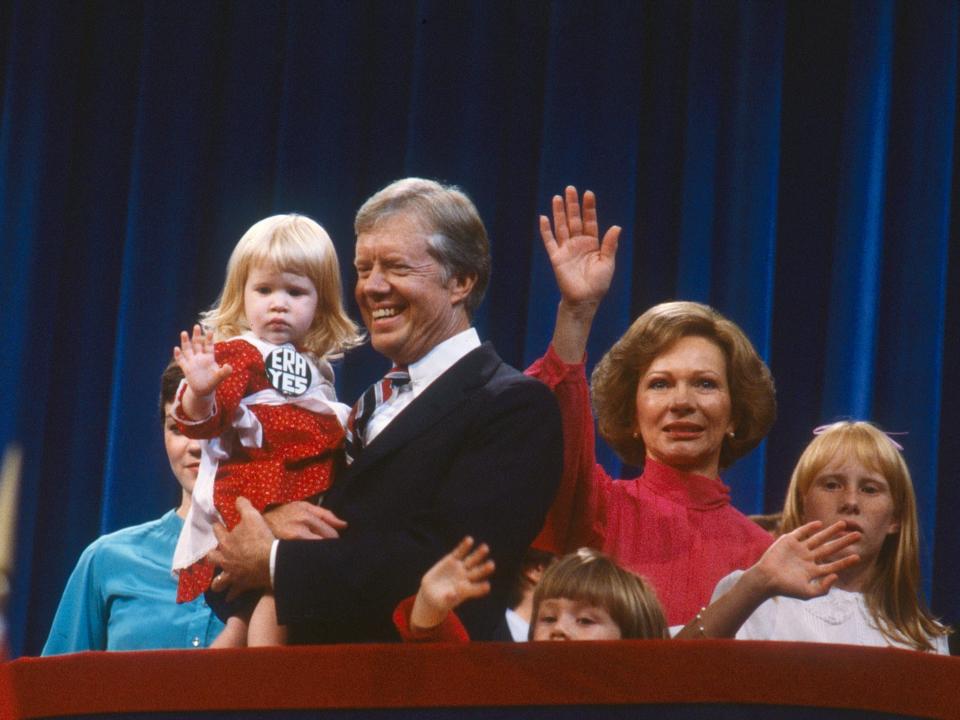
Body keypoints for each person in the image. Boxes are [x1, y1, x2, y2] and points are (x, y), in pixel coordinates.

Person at [206, 178, 563, 643]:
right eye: (363, 268)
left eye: (394, 266)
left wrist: (274, 559)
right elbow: (233, 572)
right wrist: (267, 527)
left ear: (460, 281)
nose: (372, 287)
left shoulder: (513, 406)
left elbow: (448, 563)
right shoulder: (358, 408)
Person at [528, 186, 777, 626]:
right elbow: (555, 435)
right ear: (632, 414)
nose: (682, 403)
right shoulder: (599, 513)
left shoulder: (764, 558)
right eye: (660, 385)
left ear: (736, 413)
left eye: (704, 384)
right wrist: (577, 313)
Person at [171, 214, 361, 646]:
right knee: (276, 598)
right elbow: (206, 420)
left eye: (295, 292)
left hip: (298, 495)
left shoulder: (318, 368)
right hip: (256, 494)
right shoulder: (240, 353)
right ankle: (264, 688)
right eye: (264, 290)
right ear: (241, 295)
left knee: (242, 618)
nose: (279, 303)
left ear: (322, 302)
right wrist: (200, 392)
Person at [676, 421, 951, 653]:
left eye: (870, 489)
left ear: (895, 518)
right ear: (803, 502)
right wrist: (757, 584)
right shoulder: (754, 597)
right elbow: (674, 671)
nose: (851, 501)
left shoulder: (926, 640)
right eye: (832, 485)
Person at [42, 363, 226, 654]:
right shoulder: (107, 560)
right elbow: (53, 693)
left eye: (209, 426)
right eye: (178, 428)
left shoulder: (278, 565)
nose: (194, 445)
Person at [393, 538, 667, 641]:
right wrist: (429, 604)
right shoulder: (512, 687)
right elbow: (453, 664)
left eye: (584, 620)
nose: (558, 629)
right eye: (548, 618)